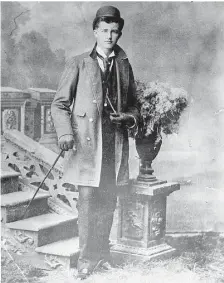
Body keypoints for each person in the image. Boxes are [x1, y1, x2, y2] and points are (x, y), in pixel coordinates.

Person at [51, 5, 140, 280]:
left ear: (119, 33)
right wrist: (65, 134)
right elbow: (59, 104)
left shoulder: (124, 64)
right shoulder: (79, 62)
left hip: (115, 144)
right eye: (104, 31)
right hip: (88, 146)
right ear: (95, 32)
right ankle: (86, 259)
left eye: (114, 31)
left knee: (109, 200)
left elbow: (135, 107)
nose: (109, 36)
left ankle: (103, 255)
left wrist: (127, 117)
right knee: (89, 201)